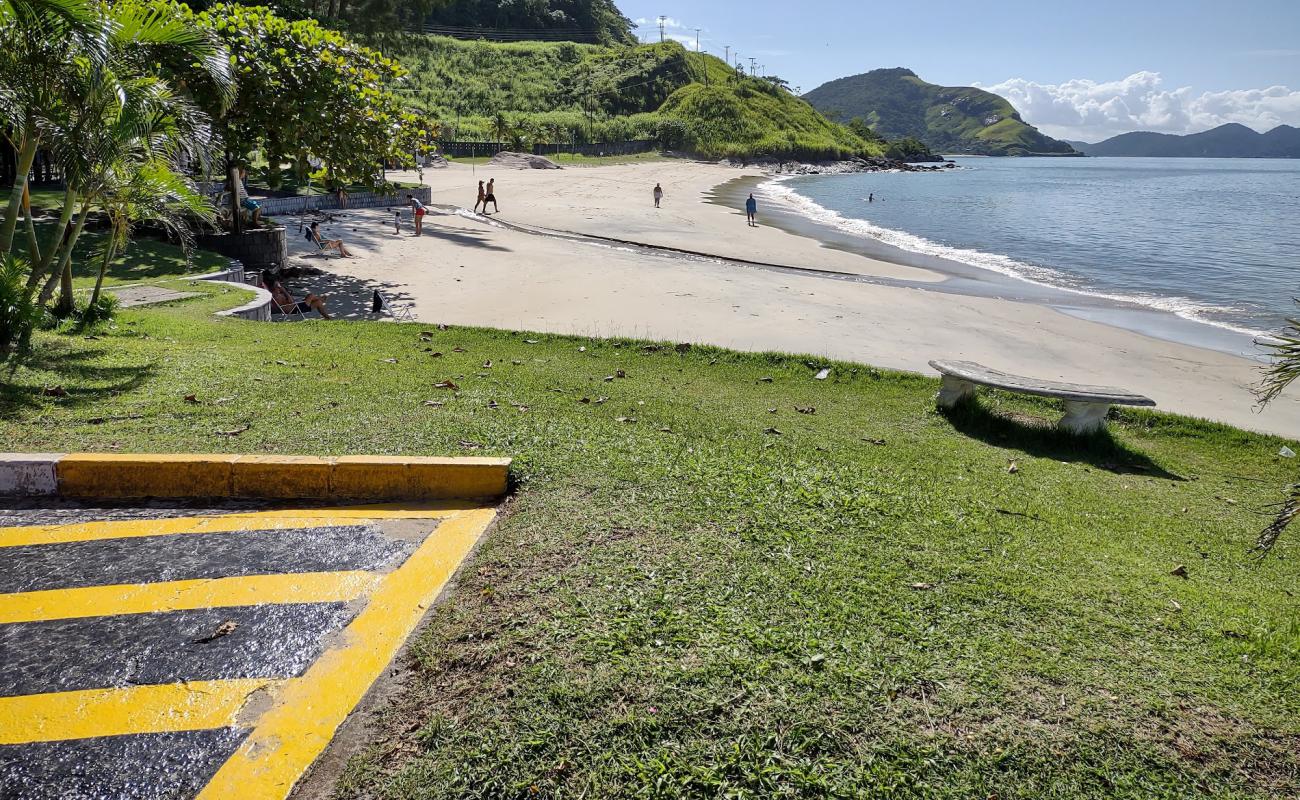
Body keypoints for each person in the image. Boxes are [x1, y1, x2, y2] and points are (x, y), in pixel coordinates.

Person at [264, 275, 332, 319]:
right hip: (295, 308)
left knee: (318, 302)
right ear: (274, 287)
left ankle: (328, 318)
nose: (280, 287)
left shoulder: (276, 294)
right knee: (311, 296)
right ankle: (321, 300)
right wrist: (284, 291)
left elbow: (290, 301)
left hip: (297, 306)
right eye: (278, 286)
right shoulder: (276, 296)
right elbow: (291, 301)